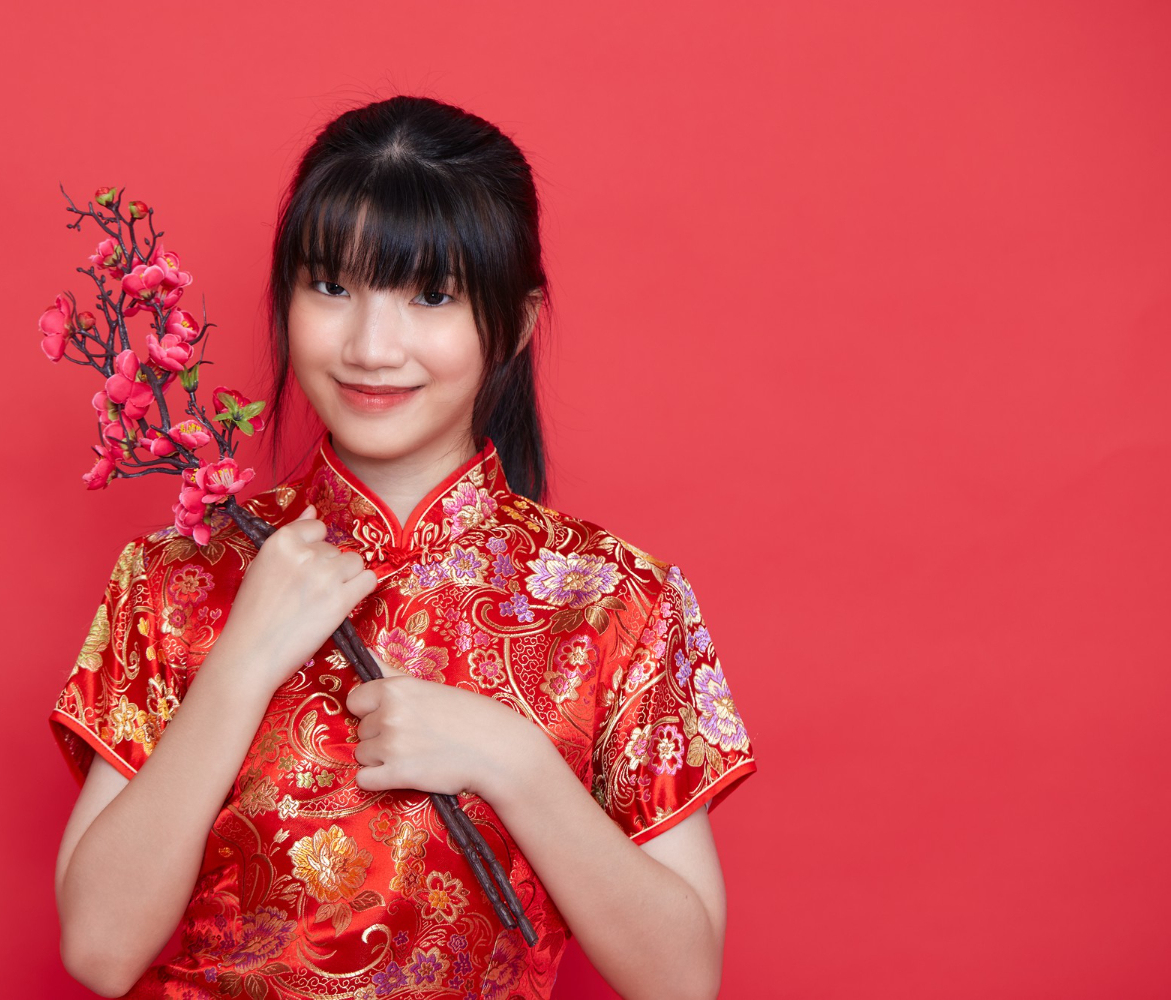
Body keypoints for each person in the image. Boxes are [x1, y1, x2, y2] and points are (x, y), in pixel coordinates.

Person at [48, 94, 756, 1000]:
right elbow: (98, 951)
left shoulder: (615, 603)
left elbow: (683, 980)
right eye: (331, 287)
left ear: (518, 319)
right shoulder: (177, 577)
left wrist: (513, 760)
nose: (371, 347)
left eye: (431, 295)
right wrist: (240, 666)